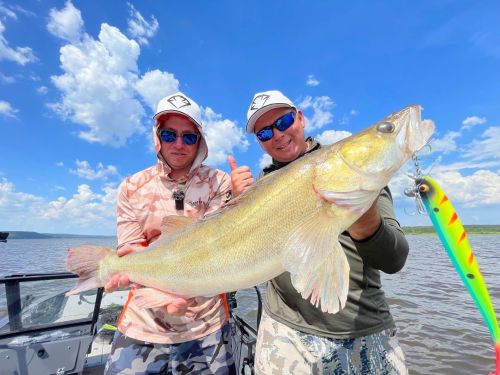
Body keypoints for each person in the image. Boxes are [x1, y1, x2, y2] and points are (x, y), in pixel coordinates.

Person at [228, 90, 409, 374]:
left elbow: (394, 260)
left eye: (284, 121)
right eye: (264, 132)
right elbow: (235, 254)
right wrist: (236, 203)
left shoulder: (350, 167)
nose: (277, 134)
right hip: (284, 329)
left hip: (363, 328)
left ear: (300, 118)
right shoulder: (258, 185)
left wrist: (366, 220)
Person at [104, 91, 236, 374]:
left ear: (200, 141)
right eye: (169, 135)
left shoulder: (219, 182)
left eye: (189, 137)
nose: (179, 144)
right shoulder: (131, 186)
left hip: (207, 325)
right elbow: (131, 249)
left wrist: (241, 198)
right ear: (157, 136)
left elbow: (220, 245)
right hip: (143, 323)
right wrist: (162, 296)